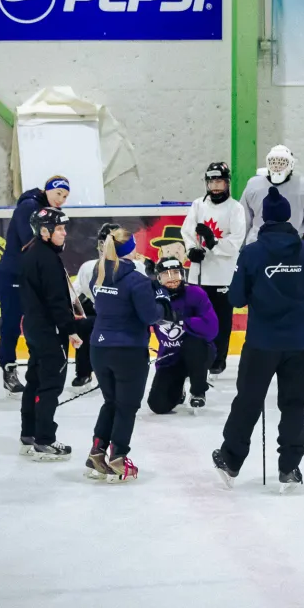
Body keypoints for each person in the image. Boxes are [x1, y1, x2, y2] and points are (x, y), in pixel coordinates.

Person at [214, 187, 304, 492]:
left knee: (248, 401)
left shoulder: (252, 252)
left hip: (260, 343)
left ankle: (230, 460)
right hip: (298, 343)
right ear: (288, 218)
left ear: (264, 217)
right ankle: (290, 467)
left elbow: (236, 297)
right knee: (294, 405)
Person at [86, 227, 164, 482]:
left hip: (99, 347)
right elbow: (150, 316)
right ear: (131, 248)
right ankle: (118, 455)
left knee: (111, 401)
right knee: (127, 406)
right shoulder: (137, 282)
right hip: (128, 350)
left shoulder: (96, 275)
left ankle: (97, 451)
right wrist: (161, 298)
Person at [17, 207, 81, 461]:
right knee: (50, 385)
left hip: (34, 328)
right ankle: (45, 440)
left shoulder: (31, 253)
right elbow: (56, 302)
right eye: (60, 229)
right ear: (45, 231)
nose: (65, 233)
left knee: (34, 380)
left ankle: (28, 434)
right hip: (49, 331)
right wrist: (70, 330)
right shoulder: (47, 259)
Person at [0, 175, 70, 396]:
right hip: (14, 274)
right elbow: (31, 241)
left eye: (65, 196)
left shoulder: (48, 211)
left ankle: (35, 366)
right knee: (12, 321)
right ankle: (8, 367)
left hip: (32, 274)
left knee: (36, 320)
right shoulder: (29, 206)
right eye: (58, 193)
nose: (61, 199)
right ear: (47, 190)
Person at [183, 162, 246, 377]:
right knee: (195, 316)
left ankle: (219, 358)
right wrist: (192, 249)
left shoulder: (236, 208)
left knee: (221, 319)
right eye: (211, 182)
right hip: (199, 275)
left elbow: (236, 241)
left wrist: (213, 243)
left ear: (227, 183)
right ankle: (198, 355)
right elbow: (187, 231)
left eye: (219, 181)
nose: (215, 186)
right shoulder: (197, 205)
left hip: (223, 275)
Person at [146, 257, 218, 416]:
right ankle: (179, 389)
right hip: (170, 357)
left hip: (199, 354)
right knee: (158, 406)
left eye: (176, 273)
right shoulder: (153, 297)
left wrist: (182, 320)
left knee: (193, 344)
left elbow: (212, 328)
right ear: (159, 278)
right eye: (166, 275)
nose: (172, 279)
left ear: (183, 275)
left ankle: (198, 391)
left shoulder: (195, 293)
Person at [73, 223, 122, 389]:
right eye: (102, 243)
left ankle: (121, 370)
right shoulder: (88, 267)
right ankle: (84, 372)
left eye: (109, 242)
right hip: (97, 311)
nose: (105, 247)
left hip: (121, 313)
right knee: (84, 325)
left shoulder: (132, 266)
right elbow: (75, 293)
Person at [241, 145, 304, 243]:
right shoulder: (253, 185)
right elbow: (244, 220)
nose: (277, 166)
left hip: (294, 245)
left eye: (281, 163)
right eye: (274, 163)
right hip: (259, 243)